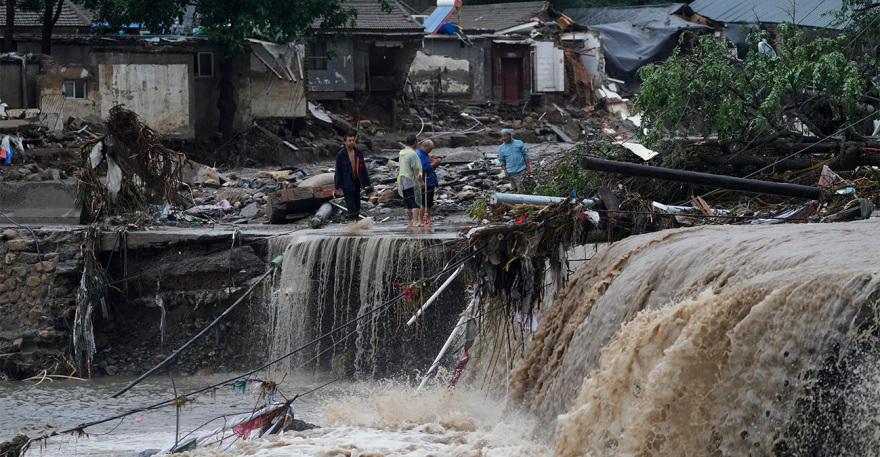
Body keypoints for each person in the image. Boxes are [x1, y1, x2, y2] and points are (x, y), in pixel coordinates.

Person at [334, 133, 371, 222]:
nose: (351, 142)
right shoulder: (341, 155)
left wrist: (367, 182)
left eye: (353, 140)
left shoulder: (358, 153)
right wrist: (338, 185)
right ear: (345, 142)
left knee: (357, 201)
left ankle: (356, 219)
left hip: (357, 181)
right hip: (347, 181)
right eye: (349, 141)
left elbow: (363, 168)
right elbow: (338, 170)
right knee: (350, 202)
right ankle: (354, 220)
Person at [397, 134, 424, 227]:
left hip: (402, 180)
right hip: (411, 180)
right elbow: (416, 170)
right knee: (415, 202)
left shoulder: (402, 153)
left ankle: (409, 222)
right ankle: (415, 222)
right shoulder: (412, 154)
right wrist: (420, 181)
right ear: (415, 142)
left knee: (407, 203)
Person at [416, 139, 442, 226]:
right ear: (425, 146)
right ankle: (420, 221)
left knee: (429, 203)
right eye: (430, 149)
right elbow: (421, 169)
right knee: (423, 202)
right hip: (424, 182)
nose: (431, 150)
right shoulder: (419, 155)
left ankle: (428, 220)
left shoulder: (427, 155)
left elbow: (430, 168)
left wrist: (435, 165)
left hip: (430, 181)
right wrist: (432, 164)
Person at [498, 128, 531, 193]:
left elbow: (525, 155)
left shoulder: (519, 143)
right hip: (510, 172)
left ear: (510, 135)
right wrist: (505, 170)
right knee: (514, 189)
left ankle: (523, 198)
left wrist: (528, 168)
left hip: (521, 170)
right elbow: (502, 160)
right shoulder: (501, 148)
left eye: (505, 136)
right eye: (502, 136)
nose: (504, 138)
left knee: (521, 189)